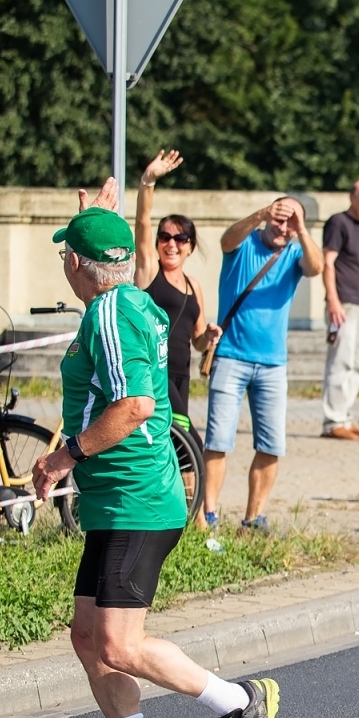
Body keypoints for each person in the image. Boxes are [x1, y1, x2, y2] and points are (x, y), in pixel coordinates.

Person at [32, 182, 280, 718]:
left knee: (118, 643)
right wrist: (102, 215)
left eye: (68, 253)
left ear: (74, 266)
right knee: (88, 635)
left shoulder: (110, 314)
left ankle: (239, 702)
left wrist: (65, 456)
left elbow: (135, 404)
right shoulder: (131, 300)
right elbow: (114, 254)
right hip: (117, 501)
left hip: (138, 499)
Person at [203, 195, 324, 531]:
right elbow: (226, 239)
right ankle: (209, 514)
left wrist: (301, 230)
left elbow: (316, 268)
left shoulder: (295, 251)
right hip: (230, 356)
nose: (282, 227)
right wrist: (259, 215)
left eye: (290, 221)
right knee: (218, 440)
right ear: (269, 216)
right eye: (278, 218)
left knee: (271, 444)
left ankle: (254, 517)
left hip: (273, 364)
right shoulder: (244, 245)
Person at [132, 149, 217, 506]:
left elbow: (197, 340)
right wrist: (147, 181)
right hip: (155, 373)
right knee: (190, 447)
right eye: (165, 237)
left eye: (180, 239)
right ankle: (194, 515)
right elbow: (142, 223)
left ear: (190, 247)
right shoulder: (148, 272)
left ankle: (181, 512)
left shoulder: (193, 285)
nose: (171, 243)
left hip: (181, 375)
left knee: (179, 448)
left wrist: (208, 338)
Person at [320, 180, 359, 441]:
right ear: (352, 197)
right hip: (342, 305)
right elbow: (328, 263)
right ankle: (333, 421)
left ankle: (345, 417)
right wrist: (333, 300)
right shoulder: (338, 223)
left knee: (356, 364)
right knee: (340, 362)